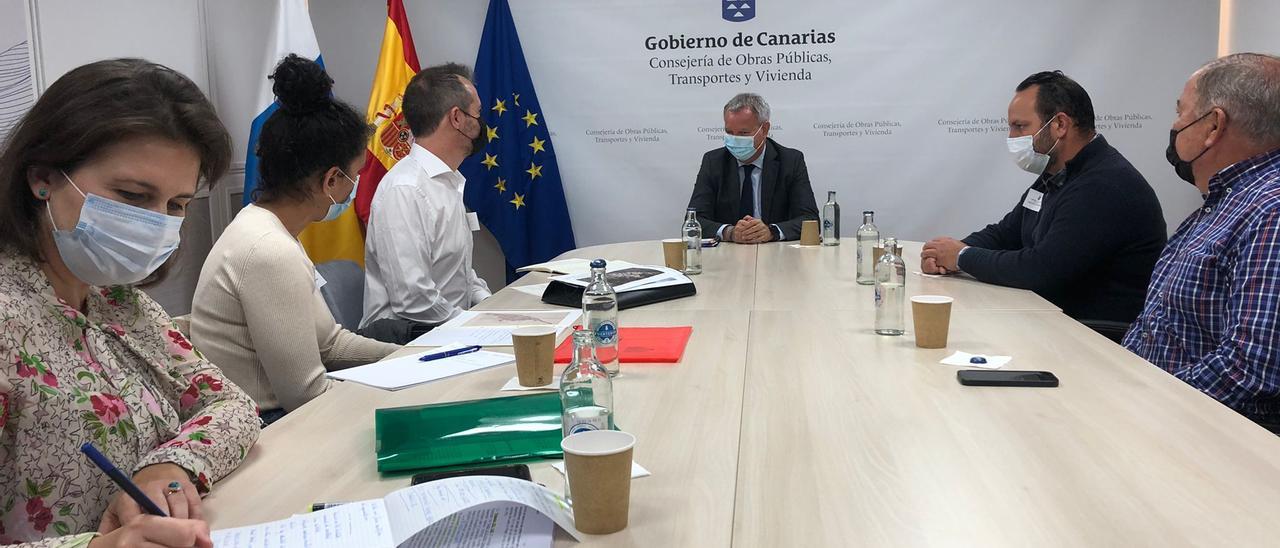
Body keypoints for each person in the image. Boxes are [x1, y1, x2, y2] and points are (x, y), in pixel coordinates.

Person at [0, 58, 259, 547]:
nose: (158, 223)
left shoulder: (118, 303)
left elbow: (231, 403)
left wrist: (169, 463)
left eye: (177, 205)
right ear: (43, 178)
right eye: (134, 195)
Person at [190, 55, 400, 424]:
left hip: (279, 414)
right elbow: (306, 395)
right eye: (355, 176)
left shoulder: (272, 230)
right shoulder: (267, 249)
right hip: (265, 426)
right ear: (330, 180)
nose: (355, 188)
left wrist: (410, 356)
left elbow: (331, 343)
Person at [921, 71, 1166, 333]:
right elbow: (1006, 233)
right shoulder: (1057, 173)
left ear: (1060, 124)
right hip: (1055, 324)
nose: (1012, 137)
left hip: (1096, 338)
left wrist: (961, 256)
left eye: (1020, 126)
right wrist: (946, 255)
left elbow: (1040, 270)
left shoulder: (1105, 184)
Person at [1124, 53, 1280, 432]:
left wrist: (1133, 403)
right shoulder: (1225, 202)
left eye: (1180, 113)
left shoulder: (1270, 213)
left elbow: (1250, 368)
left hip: (1199, 438)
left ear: (1213, 126)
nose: (1175, 126)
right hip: (1152, 408)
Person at [360, 63, 492, 344]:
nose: (481, 123)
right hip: (407, 343)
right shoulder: (405, 190)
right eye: (478, 114)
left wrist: (490, 307)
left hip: (450, 330)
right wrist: (472, 325)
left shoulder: (448, 181)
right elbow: (413, 300)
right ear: (457, 118)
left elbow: (458, 272)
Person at [687, 93, 819, 243]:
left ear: (764, 129)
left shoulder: (790, 161)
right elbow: (693, 221)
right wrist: (730, 232)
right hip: (728, 254)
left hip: (776, 254)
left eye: (743, 133)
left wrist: (771, 231)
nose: (735, 139)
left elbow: (810, 220)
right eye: (729, 132)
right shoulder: (713, 162)